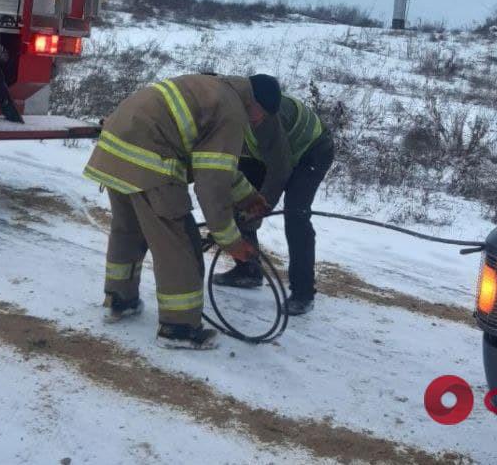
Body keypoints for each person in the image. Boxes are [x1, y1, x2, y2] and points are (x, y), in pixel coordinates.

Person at [83, 73, 278, 349]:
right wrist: (231, 241)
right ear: (255, 104)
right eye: (262, 116)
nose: (258, 122)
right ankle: (179, 329)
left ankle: (119, 300)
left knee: (129, 231)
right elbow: (213, 186)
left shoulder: (214, 89)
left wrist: (247, 197)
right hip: (151, 161)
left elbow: (212, 165)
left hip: (116, 148)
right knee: (179, 242)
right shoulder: (233, 112)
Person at [215, 87, 334, 316]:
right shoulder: (225, 110)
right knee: (239, 199)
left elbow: (280, 170)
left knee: (295, 216)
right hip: (264, 153)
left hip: (311, 152)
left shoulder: (264, 116)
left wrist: (260, 206)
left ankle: (303, 293)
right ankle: (247, 271)